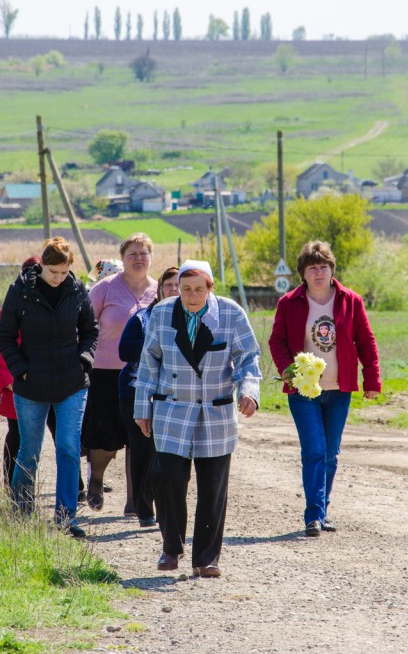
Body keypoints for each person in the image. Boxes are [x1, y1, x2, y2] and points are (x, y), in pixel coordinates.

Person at [134, 260, 261, 578]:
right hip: (172, 409)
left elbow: (247, 357)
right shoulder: (163, 313)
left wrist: (249, 390)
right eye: (185, 288)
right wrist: (141, 408)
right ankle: (170, 548)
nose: (191, 295)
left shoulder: (230, 313)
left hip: (214, 411)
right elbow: (148, 361)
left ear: (210, 288)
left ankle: (206, 558)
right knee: (167, 479)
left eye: (198, 289)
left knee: (213, 486)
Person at [268, 240, 381, 538]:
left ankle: (323, 509)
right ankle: (313, 515)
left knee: (331, 452)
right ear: (302, 274)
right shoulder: (289, 303)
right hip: (304, 392)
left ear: (332, 270)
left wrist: (372, 380)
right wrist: (286, 371)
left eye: (323, 267)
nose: (318, 273)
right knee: (314, 450)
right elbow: (276, 341)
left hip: (339, 389)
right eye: (312, 268)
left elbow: (366, 341)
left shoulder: (351, 301)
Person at [0, 237, 98, 538]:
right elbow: (4, 337)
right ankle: (21, 512)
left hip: (72, 382)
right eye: (53, 272)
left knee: (67, 447)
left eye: (64, 273)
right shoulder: (20, 291)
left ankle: (66, 518)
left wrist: (84, 360)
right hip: (31, 384)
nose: (58, 278)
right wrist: (20, 372)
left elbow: (90, 330)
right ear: (41, 265)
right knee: (29, 450)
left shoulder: (77, 290)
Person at [83, 233, 158, 514]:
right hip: (105, 373)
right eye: (132, 254)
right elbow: (85, 326)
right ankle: (97, 479)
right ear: (122, 259)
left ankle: (135, 499)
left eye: (143, 253)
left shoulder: (158, 290)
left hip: (146, 375)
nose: (139, 258)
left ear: (151, 258)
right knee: (106, 436)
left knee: (140, 437)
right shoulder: (104, 288)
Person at [117, 266, 180, 528]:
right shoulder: (143, 318)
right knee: (143, 450)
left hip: (174, 394)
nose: (174, 290)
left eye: (180, 285)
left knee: (165, 453)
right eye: (169, 285)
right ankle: (144, 508)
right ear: (160, 289)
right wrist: (155, 346)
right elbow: (124, 350)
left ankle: (163, 502)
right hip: (136, 390)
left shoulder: (194, 319)